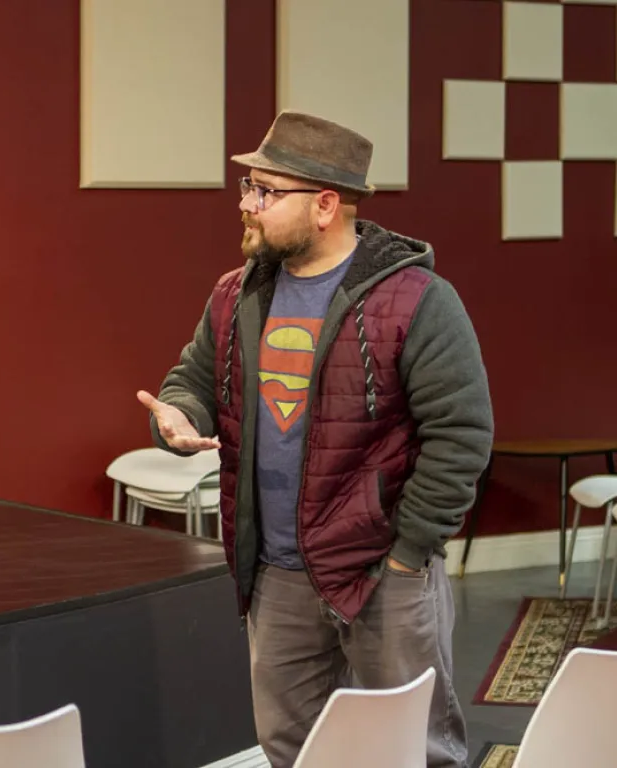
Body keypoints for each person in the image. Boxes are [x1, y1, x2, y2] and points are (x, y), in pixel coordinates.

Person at [137, 111, 493, 767]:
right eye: (248, 186)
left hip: (383, 572)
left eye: (266, 191)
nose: (247, 203)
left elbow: (461, 435)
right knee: (293, 751)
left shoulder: (417, 300)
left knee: (415, 751)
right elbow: (194, 378)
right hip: (277, 575)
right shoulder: (236, 294)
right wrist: (181, 414)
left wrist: (407, 555)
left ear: (325, 205)